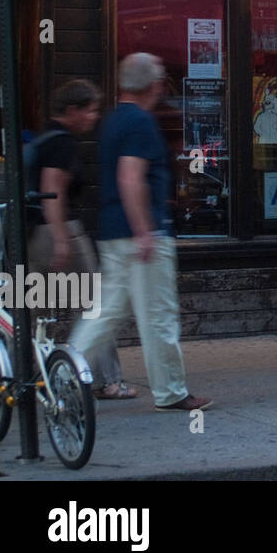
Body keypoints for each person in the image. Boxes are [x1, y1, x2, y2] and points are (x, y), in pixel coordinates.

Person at [70, 53, 212, 412]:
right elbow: (130, 178)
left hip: (112, 231)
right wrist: (145, 230)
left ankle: (65, 372)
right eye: (162, 77)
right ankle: (172, 391)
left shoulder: (114, 120)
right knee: (159, 315)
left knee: (104, 312)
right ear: (152, 85)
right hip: (141, 233)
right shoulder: (140, 123)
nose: (164, 83)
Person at [26, 80, 132, 400]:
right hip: (60, 230)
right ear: (72, 110)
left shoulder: (43, 137)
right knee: (93, 306)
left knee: (36, 310)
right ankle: (106, 380)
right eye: (90, 110)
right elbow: (52, 190)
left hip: (32, 234)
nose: (94, 117)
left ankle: (33, 378)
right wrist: (61, 237)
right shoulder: (62, 143)